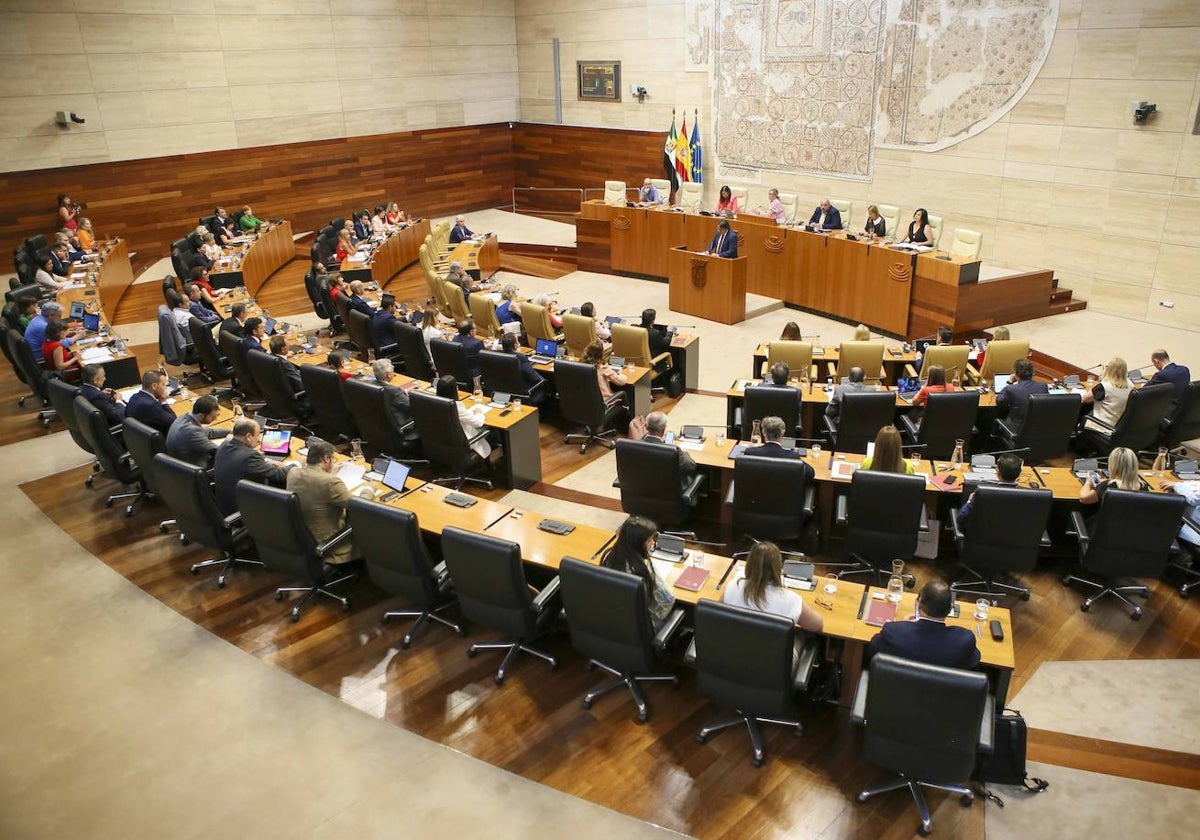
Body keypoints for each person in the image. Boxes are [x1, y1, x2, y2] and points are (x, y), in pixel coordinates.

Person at [867, 579, 980, 669]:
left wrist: (904, 626)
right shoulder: (964, 640)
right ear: (950, 608)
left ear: (919, 603)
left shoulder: (893, 631)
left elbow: (873, 647)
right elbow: (973, 661)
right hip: (942, 696)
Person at [723, 542, 824, 631]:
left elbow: (716, 615)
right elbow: (817, 625)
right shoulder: (790, 599)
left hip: (735, 648)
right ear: (778, 568)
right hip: (771, 652)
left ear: (749, 564)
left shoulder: (733, 586)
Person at [287, 440, 355, 567]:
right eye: (333, 459)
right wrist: (369, 490)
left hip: (302, 541)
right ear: (326, 459)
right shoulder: (330, 482)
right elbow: (357, 506)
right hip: (330, 545)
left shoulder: (293, 472)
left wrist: (329, 475)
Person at [600, 515, 675, 628]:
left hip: (614, 621)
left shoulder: (608, 556)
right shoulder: (643, 567)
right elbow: (668, 598)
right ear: (637, 544)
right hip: (642, 627)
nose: (653, 543)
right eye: (649, 540)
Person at [212, 419, 291, 516]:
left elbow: (242, 459)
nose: (258, 439)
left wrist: (265, 461)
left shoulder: (224, 445)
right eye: (257, 435)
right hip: (243, 511)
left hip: (224, 504)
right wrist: (296, 464)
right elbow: (280, 475)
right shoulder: (249, 456)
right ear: (248, 437)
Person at [628, 411, 697, 499]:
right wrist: (683, 452)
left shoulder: (632, 446)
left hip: (642, 493)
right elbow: (690, 466)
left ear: (646, 427)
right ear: (664, 428)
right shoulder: (673, 451)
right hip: (668, 495)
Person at [1079, 446, 1142, 522]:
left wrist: (1088, 482)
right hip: (1133, 531)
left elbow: (1084, 498)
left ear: (1113, 465)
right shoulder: (1144, 488)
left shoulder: (1108, 486)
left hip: (1103, 531)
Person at [165, 395, 229, 468]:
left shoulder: (183, 418)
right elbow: (219, 451)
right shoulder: (191, 431)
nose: (216, 419)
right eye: (213, 417)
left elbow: (210, 432)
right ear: (201, 416)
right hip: (193, 470)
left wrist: (231, 431)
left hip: (179, 464)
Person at [436, 375, 492, 458]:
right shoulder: (455, 406)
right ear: (454, 390)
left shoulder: (435, 402)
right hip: (464, 443)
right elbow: (478, 423)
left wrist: (468, 413)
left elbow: (460, 416)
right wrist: (479, 413)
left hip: (445, 442)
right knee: (493, 432)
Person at [956, 453, 1023, 522]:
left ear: (998, 473)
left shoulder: (982, 493)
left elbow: (961, 518)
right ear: (1019, 474)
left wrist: (969, 500)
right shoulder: (1026, 495)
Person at [1081, 357, 1133, 437]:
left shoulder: (1104, 386)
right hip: (1121, 426)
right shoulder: (1130, 385)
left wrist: (1098, 384)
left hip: (1104, 427)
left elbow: (1084, 399)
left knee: (1083, 412)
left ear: (1109, 370)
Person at [372, 358, 419, 445]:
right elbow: (413, 406)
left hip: (382, 428)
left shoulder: (372, 385)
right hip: (404, 426)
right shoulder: (394, 391)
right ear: (388, 375)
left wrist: (403, 392)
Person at [995, 358, 1048, 435]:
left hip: (1015, 432)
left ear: (1016, 374)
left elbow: (999, 401)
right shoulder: (1043, 386)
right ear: (1033, 373)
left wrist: (1010, 383)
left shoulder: (1011, 389)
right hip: (1037, 431)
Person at [497, 332, 546, 403]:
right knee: (546, 382)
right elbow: (534, 377)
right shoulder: (521, 358)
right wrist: (543, 380)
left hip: (506, 392)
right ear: (515, 345)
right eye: (518, 341)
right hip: (525, 393)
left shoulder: (498, 355)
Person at [124, 370, 177, 436]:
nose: (165, 388)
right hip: (159, 442)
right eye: (163, 384)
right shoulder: (151, 406)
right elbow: (174, 421)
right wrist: (163, 402)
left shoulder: (134, 397)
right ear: (154, 386)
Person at [743, 416, 809, 464]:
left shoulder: (750, 453)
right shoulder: (793, 457)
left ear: (763, 433)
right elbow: (810, 472)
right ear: (783, 433)